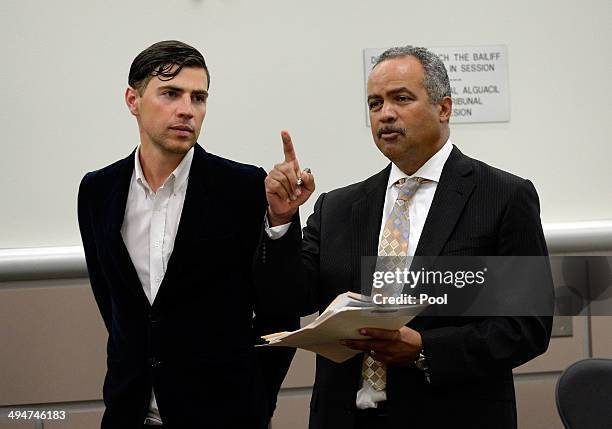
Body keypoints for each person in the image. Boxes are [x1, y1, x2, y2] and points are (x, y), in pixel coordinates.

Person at [254, 46, 552, 428]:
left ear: (444, 108)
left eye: (401, 98)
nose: (386, 113)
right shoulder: (339, 207)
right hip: (343, 416)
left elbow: (526, 327)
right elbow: (292, 296)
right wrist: (280, 220)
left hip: (450, 414)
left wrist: (425, 350)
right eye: (375, 103)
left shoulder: (502, 197)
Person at [77, 40, 298, 428]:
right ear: (133, 99)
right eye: (170, 93)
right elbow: (114, 306)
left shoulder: (243, 186)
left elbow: (278, 310)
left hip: (224, 413)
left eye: (198, 98)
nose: (186, 109)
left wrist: (259, 400)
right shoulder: (98, 191)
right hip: (130, 411)